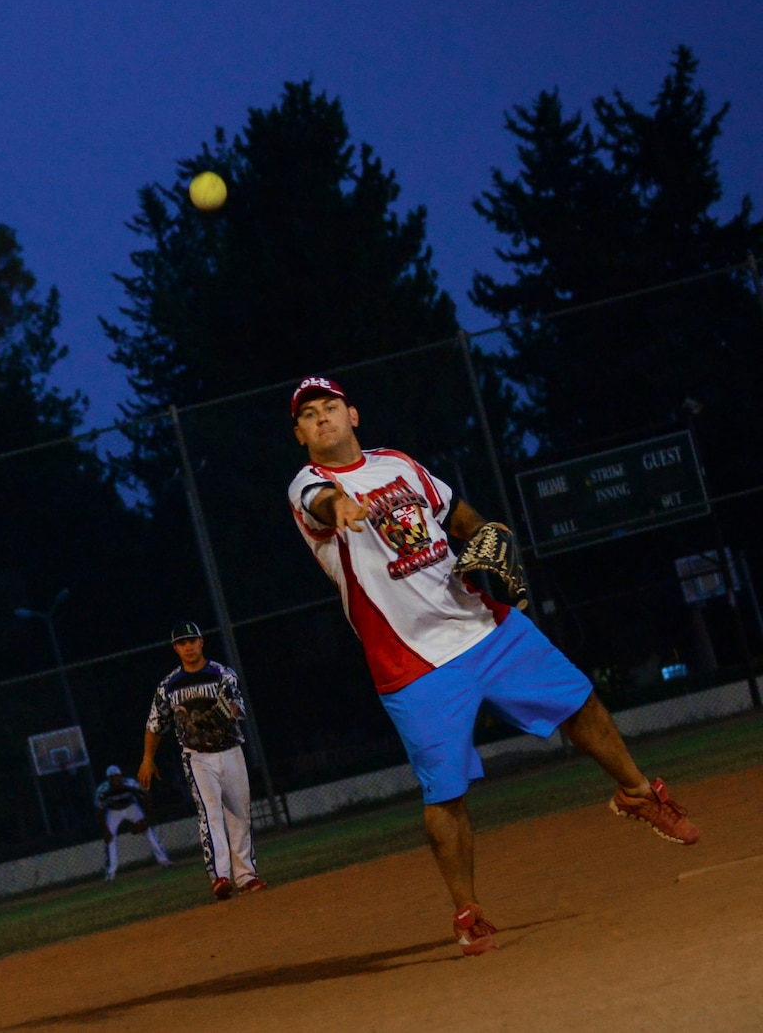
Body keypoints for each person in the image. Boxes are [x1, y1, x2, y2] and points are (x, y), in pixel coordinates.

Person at [286, 375, 699, 957]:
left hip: (483, 625)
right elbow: (322, 504)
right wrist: (343, 505)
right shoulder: (310, 484)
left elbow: (454, 512)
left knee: (579, 700)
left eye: (331, 407)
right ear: (300, 433)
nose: (322, 417)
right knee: (445, 793)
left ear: (353, 415)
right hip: (412, 662)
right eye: (310, 414)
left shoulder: (400, 463)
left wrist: (483, 534)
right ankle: (468, 910)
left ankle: (637, 793)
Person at [139, 622, 267, 900]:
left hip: (231, 750)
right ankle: (220, 876)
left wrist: (228, 711)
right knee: (210, 813)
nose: (188, 646)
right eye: (182, 643)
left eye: (192, 641)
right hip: (197, 758)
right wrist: (148, 758)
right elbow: (155, 723)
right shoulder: (168, 685)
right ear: (176, 648)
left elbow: (235, 704)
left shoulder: (222, 674)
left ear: (201, 642)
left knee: (239, 814)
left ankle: (246, 876)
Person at [94, 763, 172, 880]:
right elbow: (99, 810)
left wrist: (147, 819)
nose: (115, 779)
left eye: (117, 776)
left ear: (121, 776)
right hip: (113, 811)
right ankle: (110, 873)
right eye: (112, 777)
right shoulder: (103, 790)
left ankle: (165, 861)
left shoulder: (130, 784)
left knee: (149, 831)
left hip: (131, 807)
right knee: (110, 839)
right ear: (108, 779)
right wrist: (105, 830)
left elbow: (147, 796)